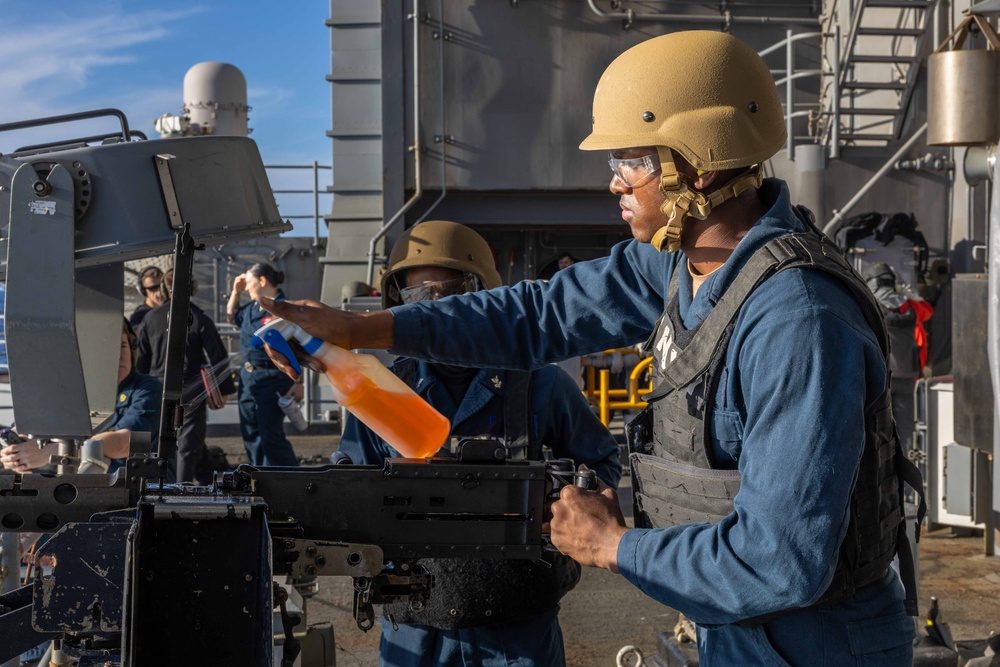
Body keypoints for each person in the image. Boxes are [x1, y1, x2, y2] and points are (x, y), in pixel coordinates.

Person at [262, 31, 925, 666]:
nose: (614, 182)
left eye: (630, 160)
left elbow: (778, 562)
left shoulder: (798, 322)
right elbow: (535, 316)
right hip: (739, 625)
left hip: (814, 642)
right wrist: (366, 330)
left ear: (697, 165)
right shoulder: (677, 264)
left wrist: (614, 544)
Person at [336, 220, 622, 667]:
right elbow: (348, 488)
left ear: (484, 297)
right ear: (400, 306)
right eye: (419, 297)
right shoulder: (383, 394)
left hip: (518, 630)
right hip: (416, 630)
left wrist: (561, 504)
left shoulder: (540, 385)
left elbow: (601, 462)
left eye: (452, 293)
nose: (438, 310)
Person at [1, 318, 161, 473]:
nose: (116, 356)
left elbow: (127, 442)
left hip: (126, 487)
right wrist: (18, 450)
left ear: (132, 350)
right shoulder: (66, 391)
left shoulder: (148, 389)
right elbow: (29, 425)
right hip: (68, 486)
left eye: (122, 346)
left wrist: (53, 453)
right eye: (106, 348)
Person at [136, 269, 235, 484]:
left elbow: (142, 360)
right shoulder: (199, 319)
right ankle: (181, 490)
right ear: (193, 289)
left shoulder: (149, 319)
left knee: (161, 443)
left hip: (157, 391)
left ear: (164, 290)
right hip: (191, 392)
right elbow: (218, 356)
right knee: (188, 447)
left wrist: (139, 390)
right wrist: (225, 390)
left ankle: (163, 486)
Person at [227, 263, 299, 467]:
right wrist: (235, 292)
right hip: (248, 377)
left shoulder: (283, 308)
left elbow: (298, 346)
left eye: (248, 282)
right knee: (251, 433)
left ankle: (292, 478)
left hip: (273, 377)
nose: (246, 287)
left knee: (270, 435)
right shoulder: (251, 308)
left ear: (262, 281)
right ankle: (260, 475)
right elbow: (232, 317)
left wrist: (299, 382)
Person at [129, 266, 167, 331]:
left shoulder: (171, 308)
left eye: (162, 286)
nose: (159, 292)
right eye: (153, 289)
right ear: (143, 291)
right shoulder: (139, 317)